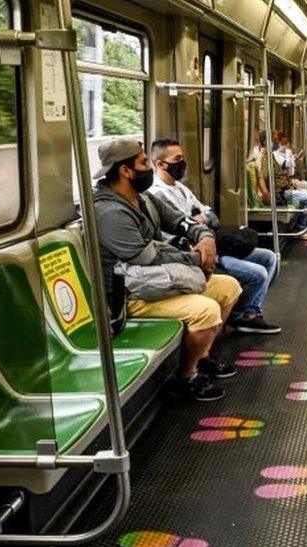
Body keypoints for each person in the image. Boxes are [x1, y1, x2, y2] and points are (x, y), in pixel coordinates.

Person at [92, 139, 242, 402]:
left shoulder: (144, 200)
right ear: (125, 171)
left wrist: (205, 236)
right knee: (206, 309)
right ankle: (186, 377)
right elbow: (146, 258)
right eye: (143, 162)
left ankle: (202, 355)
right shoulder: (109, 212)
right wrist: (196, 259)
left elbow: (180, 220)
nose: (149, 167)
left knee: (229, 287)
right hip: (129, 295)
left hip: (156, 281)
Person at [148, 139, 281, 335]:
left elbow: (211, 216)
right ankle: (238, 316)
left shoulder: (182, 188)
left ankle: (251, 313)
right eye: (177, 159)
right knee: (257, 273)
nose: (183, 162)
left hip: (213, 243)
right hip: (195, 252)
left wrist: (199, 219)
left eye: (183, 157)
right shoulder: (157, 194)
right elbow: (176, 231)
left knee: (269, 257)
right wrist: (198, 221)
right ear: (161, 164)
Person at [255, 132, 307, 240]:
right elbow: (262, 177)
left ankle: (302, 226)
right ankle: (300, 229)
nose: (275, 143)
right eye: (272, 140)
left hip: (285, 188)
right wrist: (267, 195)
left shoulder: (269, 155)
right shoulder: (264, 158)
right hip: (280, 193)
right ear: (265, 142)